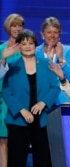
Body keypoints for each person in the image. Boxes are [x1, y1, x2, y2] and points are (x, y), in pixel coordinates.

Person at [2, 29, 60, 167]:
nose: (27, 46)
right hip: (18, 120)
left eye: (31, 43)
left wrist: (43, 103)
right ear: (18, 47)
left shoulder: (46, 64)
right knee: (16, 160)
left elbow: (55, 87)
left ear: (35, 45)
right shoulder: (12, 65)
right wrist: (22, 110)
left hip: (42, 120)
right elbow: (7, 91)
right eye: (23, 43)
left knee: (42, 160)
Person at [0, 13, 24, 167]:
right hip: (3, 100)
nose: (17, 28)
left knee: (18, 141)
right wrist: (3, 58)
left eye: (20, 25)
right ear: (8, 27)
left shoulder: (27, 47)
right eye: (14, 25)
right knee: (3, 141)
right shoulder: (2, 49)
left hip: (21, 99)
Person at [35, 16, 70, 105]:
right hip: (40, 99)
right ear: (42, 34)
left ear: (59, 34)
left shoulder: (68, 51)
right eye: (49, 32)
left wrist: (61, 58)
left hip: (62, 99)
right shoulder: (35, 52)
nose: (52, 35)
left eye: (55, 32)